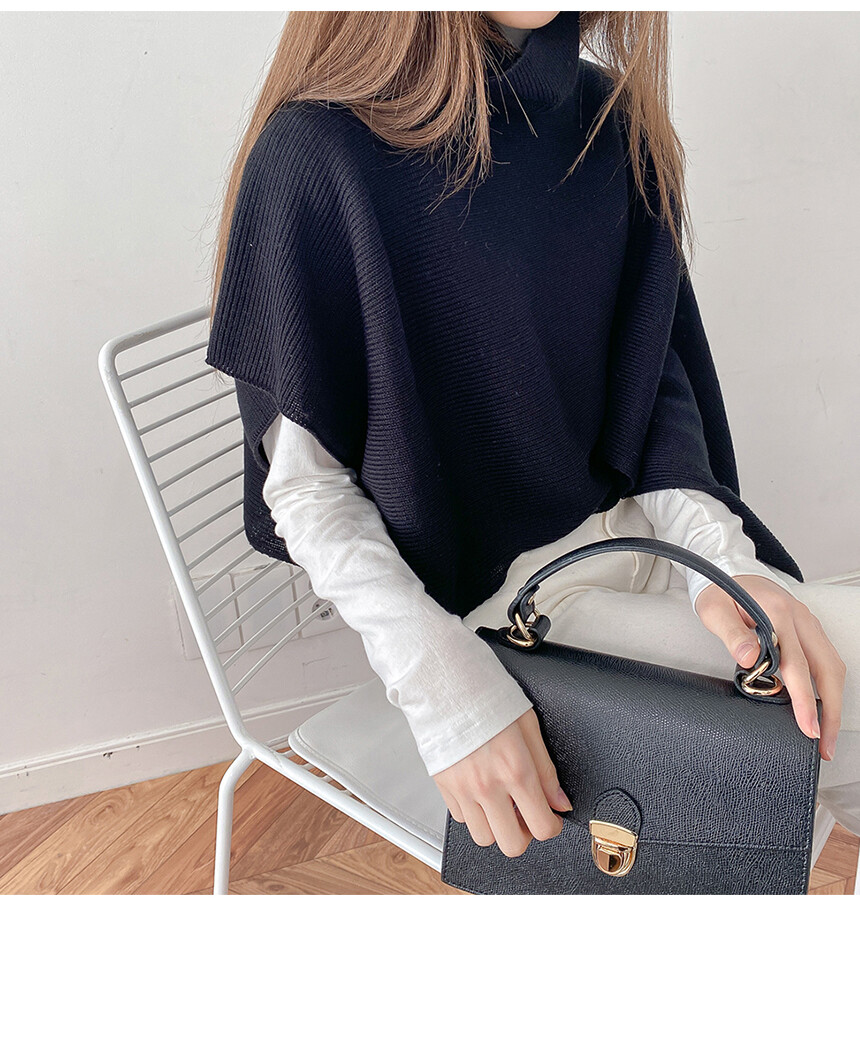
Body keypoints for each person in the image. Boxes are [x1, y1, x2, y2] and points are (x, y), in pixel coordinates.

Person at [206, 11, 858, 867]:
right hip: (511, 607)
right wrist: (445, 690)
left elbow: (653, 391)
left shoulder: (606, 119)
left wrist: (723, 561)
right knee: (825, 724)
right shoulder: (317, 150)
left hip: (649, 542)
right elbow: (308, 490)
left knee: (824, 710)